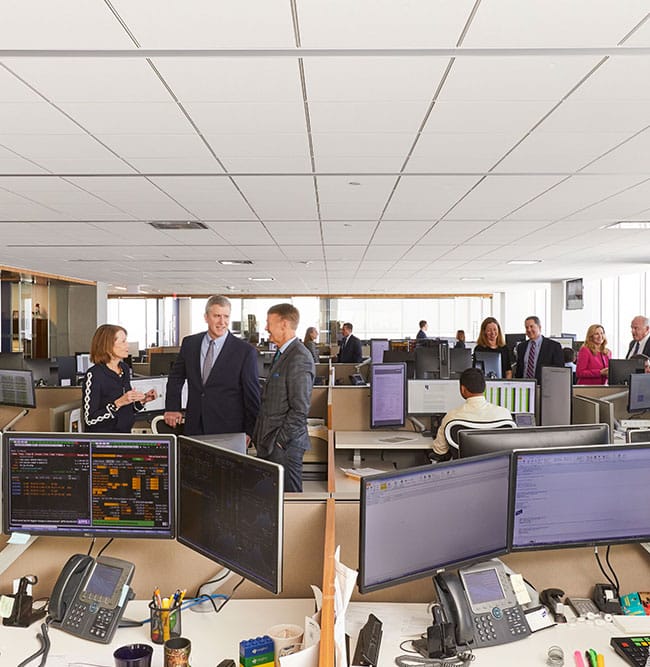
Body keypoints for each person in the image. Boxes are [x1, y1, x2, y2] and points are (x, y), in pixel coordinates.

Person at [164, 295, 260, 439]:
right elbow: (176, 377)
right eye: (217, 316)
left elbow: (251, 394)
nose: (222, 322)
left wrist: (249, 431)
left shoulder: (244, 351)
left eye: (226, 316)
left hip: (229, 429)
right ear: (206, 317)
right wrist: (172, 407)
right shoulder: (190, 343)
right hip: (194, 425)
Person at [253, 303, 315, 492]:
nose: (266, 328)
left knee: (289, 500)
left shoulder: (299, 357)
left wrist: (279, 442)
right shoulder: (283, 353)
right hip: (271, 442)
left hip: (284, 446)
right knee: (270, 499)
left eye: (269, 323)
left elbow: (300, 409)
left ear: (284, 324)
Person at [82, 324, 157, 432]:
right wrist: (118, 403)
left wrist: (142, 401)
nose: (127, 345)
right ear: (108, 346)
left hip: (125, 435)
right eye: (123, 341)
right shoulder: (94, 374)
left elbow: (126, 410)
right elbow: (90, 420)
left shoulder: (124, 368)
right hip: (105, 439)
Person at [430, 367, 514, 461]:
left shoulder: (451, 417)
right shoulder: (504, 414)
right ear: (484, 388)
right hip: (496, 468)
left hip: (464, 469)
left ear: (462, 389)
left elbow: (439, 451)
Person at [514, 316, 564, 383]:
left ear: (539, 327)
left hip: (544, 385)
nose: (529, 330)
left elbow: (559, 370)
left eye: (531, 326)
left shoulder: (554, 346)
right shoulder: (521, 347)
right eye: (526, 327)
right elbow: (519, 370)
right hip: (524, 386)